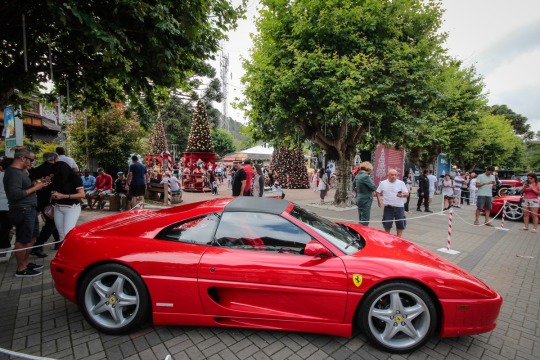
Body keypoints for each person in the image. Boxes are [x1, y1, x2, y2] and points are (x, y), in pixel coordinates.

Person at [3, 148, 50, 277]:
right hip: (22, 209)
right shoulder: (13, 173)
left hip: (29, 209)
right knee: (23, 239)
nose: (32, 163)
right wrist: (35, 187)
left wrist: (38, 183)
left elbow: (24, 188)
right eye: (32, 160)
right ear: (23, 158)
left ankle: (25, 263)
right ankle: (21, 269)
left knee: (32, 237)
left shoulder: (21, 172)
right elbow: (15, 194)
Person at [29, 152, 61, 257]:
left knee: (53, 221)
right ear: (55, 159)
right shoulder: (55, 169)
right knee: (51, 223)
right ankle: (37, 246)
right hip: (52, 199)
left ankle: (58, 243)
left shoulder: (37, 169)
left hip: (40, 198)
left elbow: (31, 179)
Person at [50, 160, 85, 242]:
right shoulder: (56, 178)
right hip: (58, 207)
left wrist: (63, 196)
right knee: (61, 234)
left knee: (67, 233)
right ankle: (64, 252)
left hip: (71, 208)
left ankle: (71, 252)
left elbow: (82, 194)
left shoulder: (74, 178)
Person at [375, 169, 409, 237]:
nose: (394, 176)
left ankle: (399, 239)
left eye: (395, 175)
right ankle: (387, 238)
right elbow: (378, 192)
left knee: (400, 224)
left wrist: (402, 195)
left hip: (399, 207)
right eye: (392, 175)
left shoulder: (401, 183)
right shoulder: (383, 183)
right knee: (387, 224)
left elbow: (407, 194)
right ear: (388, 175)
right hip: (388, 207)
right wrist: (379, 201)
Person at [0, 158, 14, 253]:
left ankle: (5, 245)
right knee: (6, 226)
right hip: (8, 204)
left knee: (4, 225)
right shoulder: (11, 176)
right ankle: (3, 245)